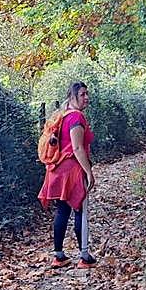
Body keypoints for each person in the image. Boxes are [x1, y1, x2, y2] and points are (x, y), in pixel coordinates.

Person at [37, 81, 99, 268]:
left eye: (87, 93)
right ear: (73, 97)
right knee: (80, 210)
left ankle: (59, 256)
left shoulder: (61, 115)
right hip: (72, 170)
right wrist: (89, 172)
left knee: (62, 211)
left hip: (56, 170)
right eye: (82, 94)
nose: (86, 97)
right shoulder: (76, 118)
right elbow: (78, 147)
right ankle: (84, 256)